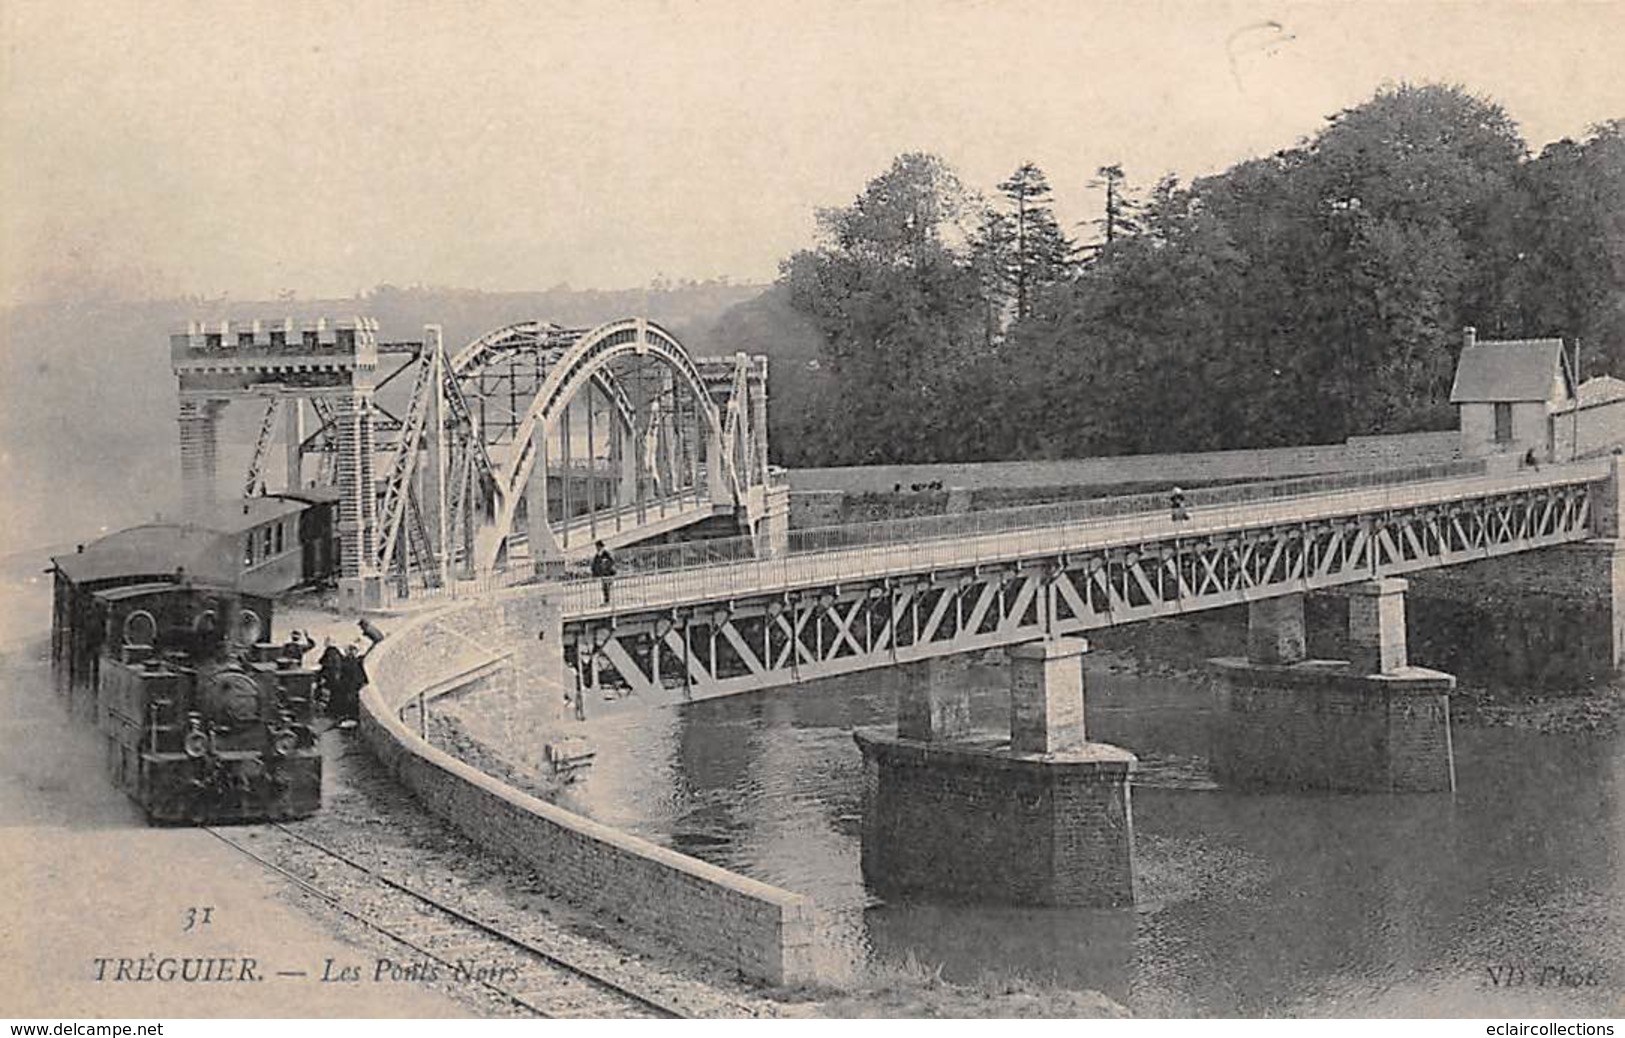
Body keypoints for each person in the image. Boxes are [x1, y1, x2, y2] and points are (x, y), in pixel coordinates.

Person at [590, 540, 616, 605]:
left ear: (600, 546)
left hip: (608, 573)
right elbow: (594, 564)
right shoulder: (598, 554)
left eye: (597, 547)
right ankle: (606, 600)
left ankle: (607, 601)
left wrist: (605, 564)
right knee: (605, 587)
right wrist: (594, 572)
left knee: (606, 587)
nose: (597, 548)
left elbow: (612, 561)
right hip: (603, 573)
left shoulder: (606, 553)